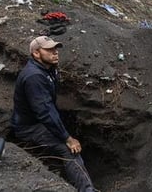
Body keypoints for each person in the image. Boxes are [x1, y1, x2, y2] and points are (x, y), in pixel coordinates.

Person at [11, 36, 96, 192]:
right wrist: (68, 139)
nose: (55, 53)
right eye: (49, 50)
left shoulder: (48, 69)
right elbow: (45, 113)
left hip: (38, 119)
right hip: (29, 127)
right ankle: (87, 189)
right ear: (36, 53)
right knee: (68, 149)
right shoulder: (34, 76)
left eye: (55, 49)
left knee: (65, 127)